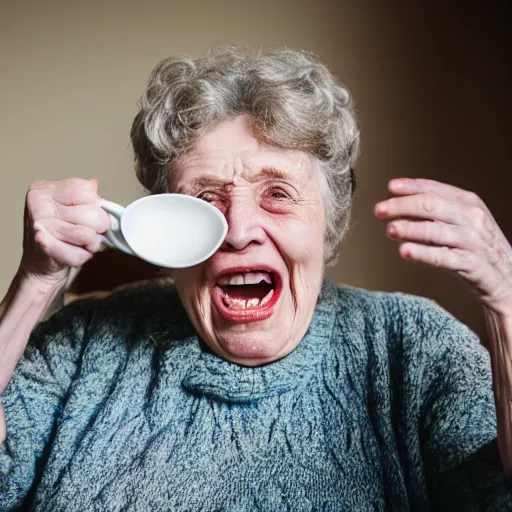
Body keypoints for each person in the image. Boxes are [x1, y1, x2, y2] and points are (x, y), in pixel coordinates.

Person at [1, 45, 511, 511]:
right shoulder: (87, 338)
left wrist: (509, 301)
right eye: (206, 199)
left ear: (328, 223)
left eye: (278, 193)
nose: (239, 231)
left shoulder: (415, 345)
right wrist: (35, 282)